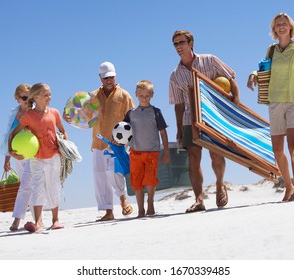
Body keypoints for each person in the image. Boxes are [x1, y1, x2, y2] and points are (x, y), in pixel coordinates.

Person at [247, 13, 294, 202]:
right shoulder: (271, 50)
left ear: (291, 27)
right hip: (275, 102)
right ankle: (288, 185)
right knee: (277, 149)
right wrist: (254, 74)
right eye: (278, 24)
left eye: (284, 24)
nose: (281, 26)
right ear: (274, 29)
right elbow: (265, 68)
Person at [169, 30, 241, 213]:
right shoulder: (175, 75)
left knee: (216, 153)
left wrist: (236, 103)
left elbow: (231, 77)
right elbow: (178, 105)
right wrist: (178, 129)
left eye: (181, 42)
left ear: (191, 43)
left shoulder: (209, 60)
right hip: (188, 119)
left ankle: (219, 183)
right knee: (193, 159)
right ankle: (199, 199)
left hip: (212, 116)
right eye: (175, 44)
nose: (178, 47)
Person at [65, 62, 135, 221]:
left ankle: (123, 199)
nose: (108, 80)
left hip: (116, 143)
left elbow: (132, 117)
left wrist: (129, 141)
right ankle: (108, 212)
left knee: (114, 172)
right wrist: (69, 116)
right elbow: (84, 116)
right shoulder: (92, 96)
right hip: (97, 142)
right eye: (105, 78)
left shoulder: (124, 95)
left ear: (115, 76)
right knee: (99, 176)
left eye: (111, 77)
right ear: (100, 78)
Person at [8, 83, 67, 232]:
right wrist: (11, 151)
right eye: (46, 95)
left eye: (50, 94)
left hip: (54, 156)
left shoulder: (54, 113)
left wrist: (65, 144)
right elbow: (12, 134)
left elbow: (63, 131)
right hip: (36, 158)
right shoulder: (28, 116)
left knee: (54, 187)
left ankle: (55, 220)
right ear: (36, 97)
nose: (49, 97)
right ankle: (38, 221)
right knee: (37, 188)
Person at [123, 80, 170, 218]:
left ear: (152, 95)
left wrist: (166, 151)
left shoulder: (156, 112)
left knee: (150, 180)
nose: (144, 98)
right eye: (141, 95)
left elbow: (163, 133)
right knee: (136, 181)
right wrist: (122, 146)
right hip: (135, 152)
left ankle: (150, 203)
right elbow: (125, 132)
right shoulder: (131, 113)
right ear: (136, 95)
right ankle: (140, 210)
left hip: (152, 152)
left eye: (147, 95)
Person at [0, 84, 33, 231]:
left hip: (33, 154)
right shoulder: (14, 113)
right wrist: (7, 159)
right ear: (17, 98)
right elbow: (8, 135)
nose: (28, 101)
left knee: (25, 186)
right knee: (26, 187)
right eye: (24, 98)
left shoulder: (35, 111)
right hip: (17, 155)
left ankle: (17, 220)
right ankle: (37, 218)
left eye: (30, 97)